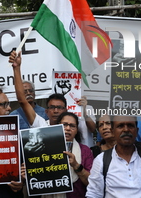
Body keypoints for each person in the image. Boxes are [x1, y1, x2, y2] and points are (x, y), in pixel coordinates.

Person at [10, 51, 93, 197]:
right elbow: (23, 100)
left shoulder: (83, 148)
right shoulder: (41, 126)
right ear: (46, 111)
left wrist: (76, 165)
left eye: (60, 108)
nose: (56, 111)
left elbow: (92, 184)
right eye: (52, 108)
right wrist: (16, 68)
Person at [57, 112, 93, 198]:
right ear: (57, 127)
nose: (68, 128)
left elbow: (92, 183)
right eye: (64, 125)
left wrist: (76, 165)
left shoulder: (85, 151)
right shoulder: (45, 147)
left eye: (72, 126)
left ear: (77, 130)